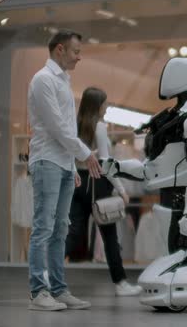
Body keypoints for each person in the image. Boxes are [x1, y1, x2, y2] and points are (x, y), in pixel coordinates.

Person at [27, 29, 102, 311]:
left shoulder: (63, 81)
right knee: (43, 228)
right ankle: (38, 292)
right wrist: (85, 154)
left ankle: (58, 290)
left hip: (61, 164)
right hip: (46, 161)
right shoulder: (43, 80)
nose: (78, 57)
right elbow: (56, 127)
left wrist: (72, 166)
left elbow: (67, 128)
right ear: (60, 49)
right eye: (75, 51)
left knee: (60, 229)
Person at [65, 87, 142, 297]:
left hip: (78, 184)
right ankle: (121, 283)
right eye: (105, 104)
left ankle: (46, 273)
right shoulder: (99, 126)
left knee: (73, 234)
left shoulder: (76, 125)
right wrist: (121, 189)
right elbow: (106, 164)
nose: (106, 108)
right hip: (97, 185)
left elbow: (75, 156)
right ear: (97, 105)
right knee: (110, 238)